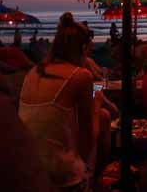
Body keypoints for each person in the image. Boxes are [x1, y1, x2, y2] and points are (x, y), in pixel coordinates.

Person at [19, 13, 108, 190]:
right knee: (104, 117)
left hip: (29, 168)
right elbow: (88, 140)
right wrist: (96, 105)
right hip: (62, 177)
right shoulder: (81, 76)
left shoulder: (34, 71)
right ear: (83, 49)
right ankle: (94, 182)